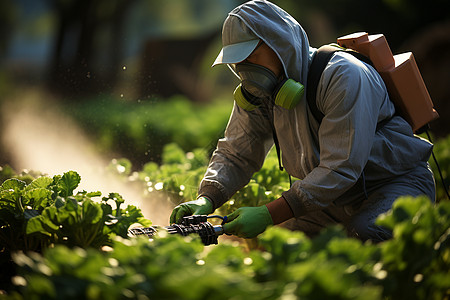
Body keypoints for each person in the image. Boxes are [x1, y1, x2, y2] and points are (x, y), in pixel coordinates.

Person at [170, 0, 435, 242]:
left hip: (393, 185)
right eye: (237, 61)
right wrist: (207, 198)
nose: (244, 69)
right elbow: (236, 153)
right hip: (332, 201)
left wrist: (269, 213)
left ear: (279, 43)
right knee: (278, 244)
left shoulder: (343, 77)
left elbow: (341, 168)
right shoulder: (261, 93)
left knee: (367, 232)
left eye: (251, 57)